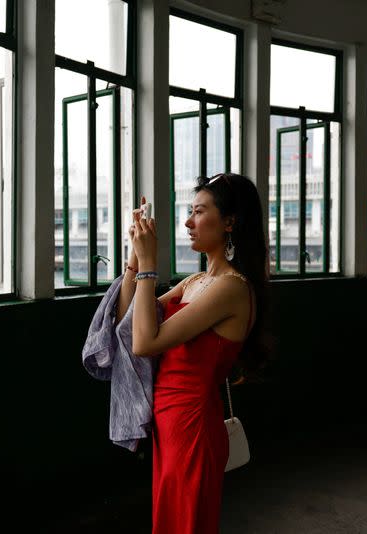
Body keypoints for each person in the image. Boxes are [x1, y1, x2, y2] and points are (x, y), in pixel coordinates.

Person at [114, 172, 273, 534]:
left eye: (199, 212)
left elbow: (144, 343)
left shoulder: (231, 288)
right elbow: (130, 320)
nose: (188, 222)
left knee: (184, 524)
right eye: (190, 211)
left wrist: (150, 265)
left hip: (191, 426)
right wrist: (136, 261)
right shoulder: (196, 281)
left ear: (230, 222)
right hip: (168, 423)